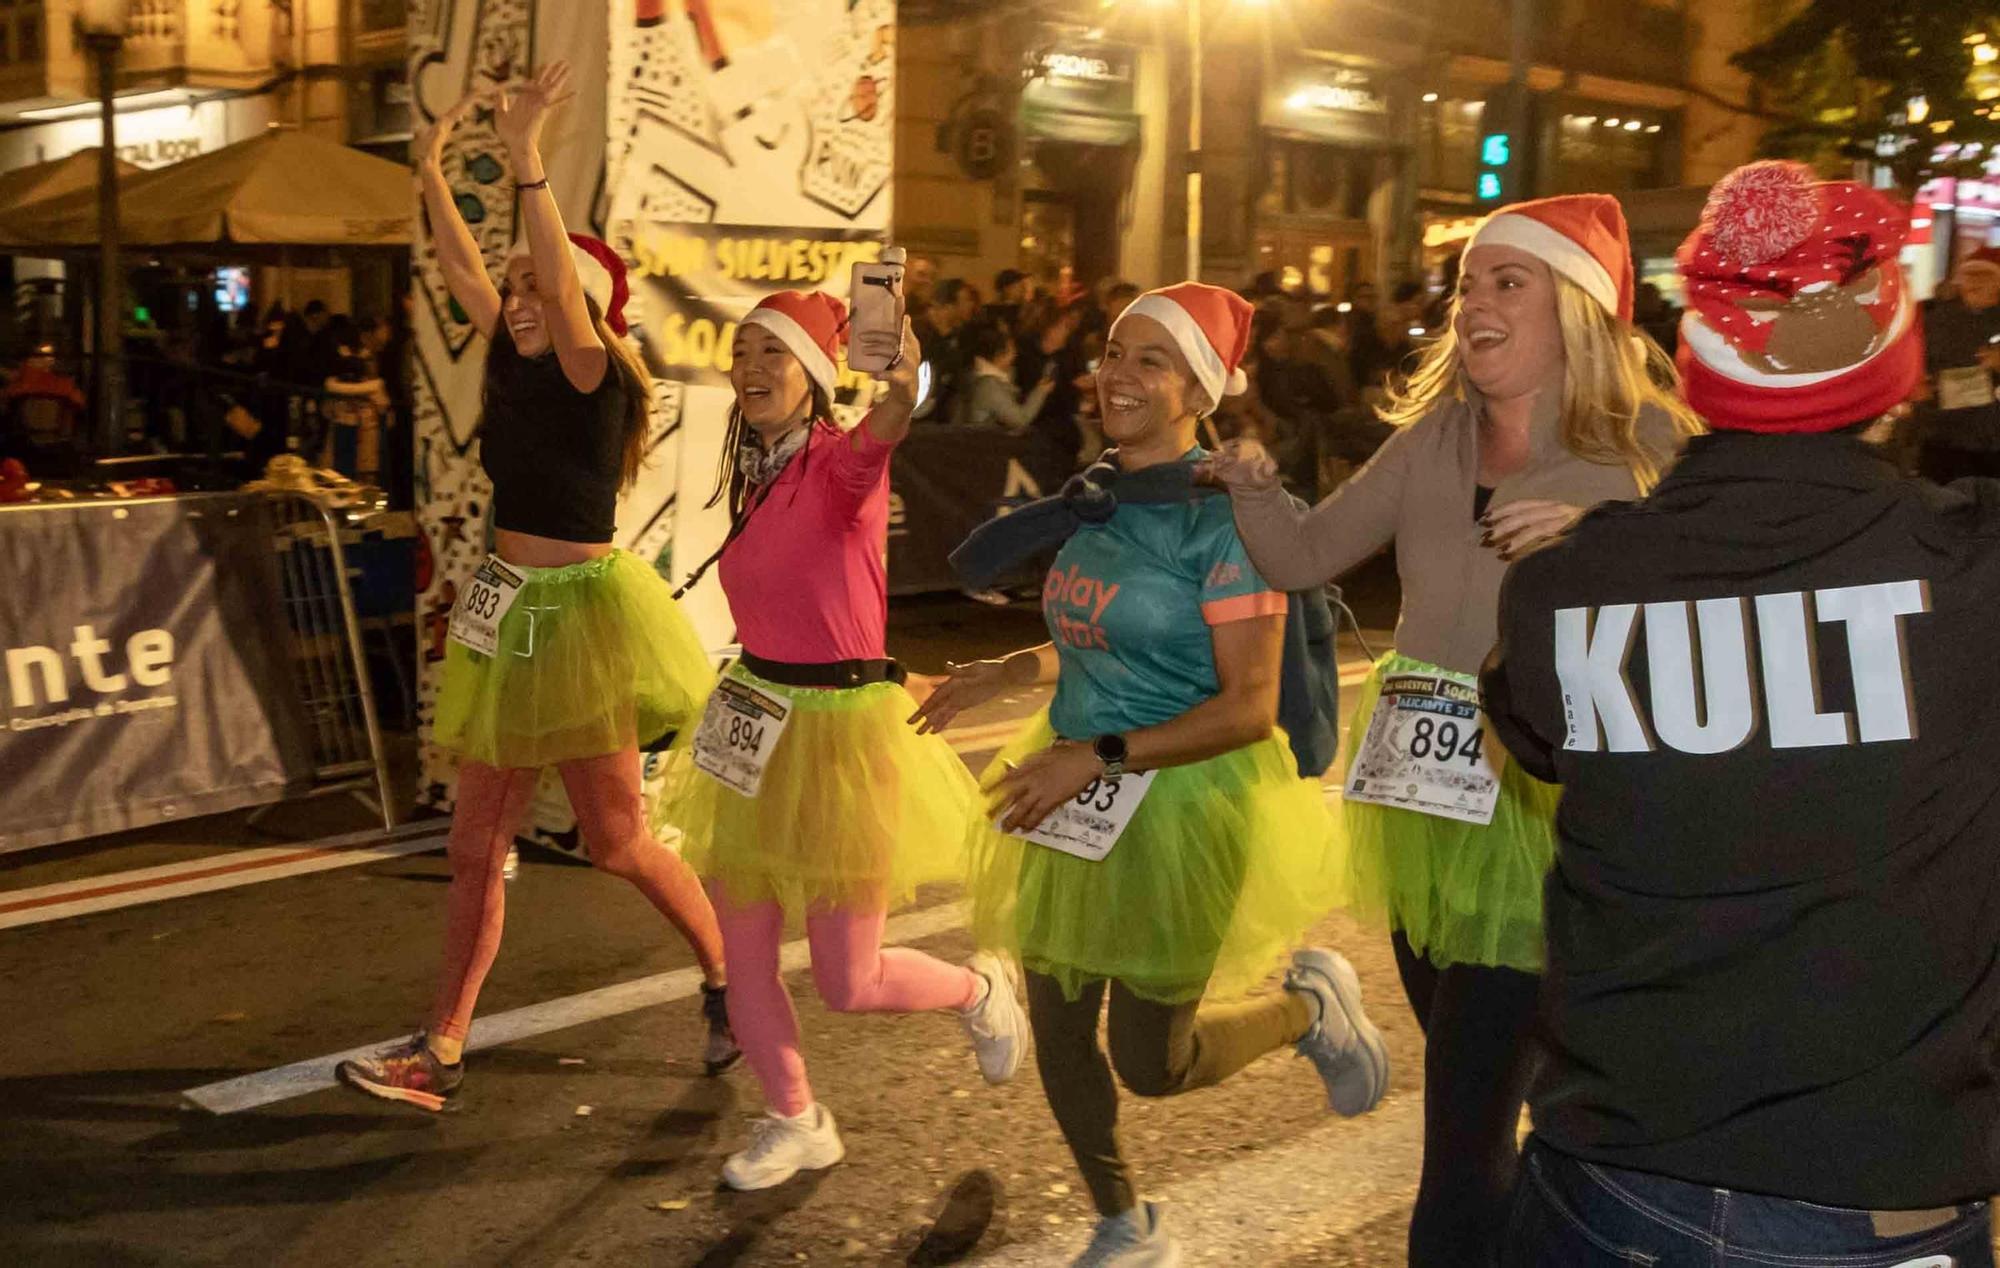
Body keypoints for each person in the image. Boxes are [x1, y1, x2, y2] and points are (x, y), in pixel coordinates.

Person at [1484, 159, 1996, 1268]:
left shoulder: (1563, 589)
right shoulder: (1968, 570)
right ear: (1891, 368)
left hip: (1604, 1188)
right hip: (1867, 1208)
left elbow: (1525, 733)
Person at [1203, 194, 1701, 1267]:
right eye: (1466, 283)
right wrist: (1251, 491)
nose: (1471, 303)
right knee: (1484, 1093)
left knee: (1463, 1137)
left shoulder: (1649, 442)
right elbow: (1299, 556)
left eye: (1503, 282)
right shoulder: (1433, 439)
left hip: (1548, 814)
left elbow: (1722, 583)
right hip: (1420, 806)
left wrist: (1598, 531)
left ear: (1572, 306)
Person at [919, 282, 1390, 1267]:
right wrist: (1005, 669)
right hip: (1071, 782)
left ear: (1196, 388)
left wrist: (1095, 754)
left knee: (1152, 1061)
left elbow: (1246, 706)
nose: (1116, 374)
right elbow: (1097, 636)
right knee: (1055, 1023)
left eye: (1150, 359)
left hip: (1178, 794)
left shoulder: (1225, 525)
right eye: (1110, 351)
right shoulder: (1100, 496)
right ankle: (1122, 1218)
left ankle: (1308, 1007)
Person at [336, 64, 732, 1111]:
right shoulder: (513, 358)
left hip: (586, 623)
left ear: (588, 311)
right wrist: (426, 168)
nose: (514, 300)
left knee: (616, 843)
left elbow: (559, 287)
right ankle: (443, 1047)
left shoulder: (591, 372)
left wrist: (525, 157)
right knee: (476, 843)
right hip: (511, 613)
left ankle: (726, 972)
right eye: (510, 291)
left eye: (534, 291)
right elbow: (467, 271)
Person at [652, 288, 1027, 1192]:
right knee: (742, 954)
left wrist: (899, 384)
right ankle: (795, 1116)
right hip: (752, 718)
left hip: (842, 736)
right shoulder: (752, 469)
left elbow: (886, 425)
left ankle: (981, 992)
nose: (750, 369)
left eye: (772, 354)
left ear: (816, 376)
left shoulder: (840, 465)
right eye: (741, 353)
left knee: (847, 979)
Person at [1916, 247, 2000, 482]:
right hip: (1942, 432)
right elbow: (1916, 361)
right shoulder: (1934, 316)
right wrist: (1918, 381)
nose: (1974, 283)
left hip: (1992, 439)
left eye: (1984, 276)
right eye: (1969, 275)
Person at [960, 320, 1054, 433]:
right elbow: (1020, 420)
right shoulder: (989, 386)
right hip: (987, 444)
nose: (1015, 354)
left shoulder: (985, 374)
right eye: (1011, 351)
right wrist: (1041, 391)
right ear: (999, 356)